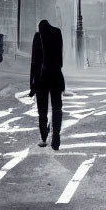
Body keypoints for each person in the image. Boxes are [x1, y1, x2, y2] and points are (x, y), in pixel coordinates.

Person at [30, 19, 65, 150]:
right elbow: (60, 57)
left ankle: (44, 137)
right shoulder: (57, 33)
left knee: (42, 111)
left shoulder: (37, 36)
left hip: (41, 79)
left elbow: (34, 62)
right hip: (56, 76)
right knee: (57, 108)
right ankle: (56, 135)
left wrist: (32, 85)